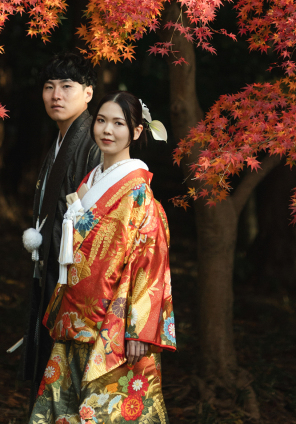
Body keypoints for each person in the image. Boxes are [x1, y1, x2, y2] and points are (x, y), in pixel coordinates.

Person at [28, 91, 175, 424]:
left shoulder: (138, 192)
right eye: (102, 121)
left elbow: (149, 262)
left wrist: (140, 331)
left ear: (137, 131)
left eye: (119, 123)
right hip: (75, 313)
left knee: (108, 410)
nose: (107, 130)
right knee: (64, 406)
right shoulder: (91, 180)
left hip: (115, 322)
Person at [21, 53, 101, 399]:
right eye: (49, 86)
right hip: (52, 260)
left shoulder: (94, 142)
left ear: (88, 93)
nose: (56, 95)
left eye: (67, 86)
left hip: (77, 274)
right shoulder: (59, 139)